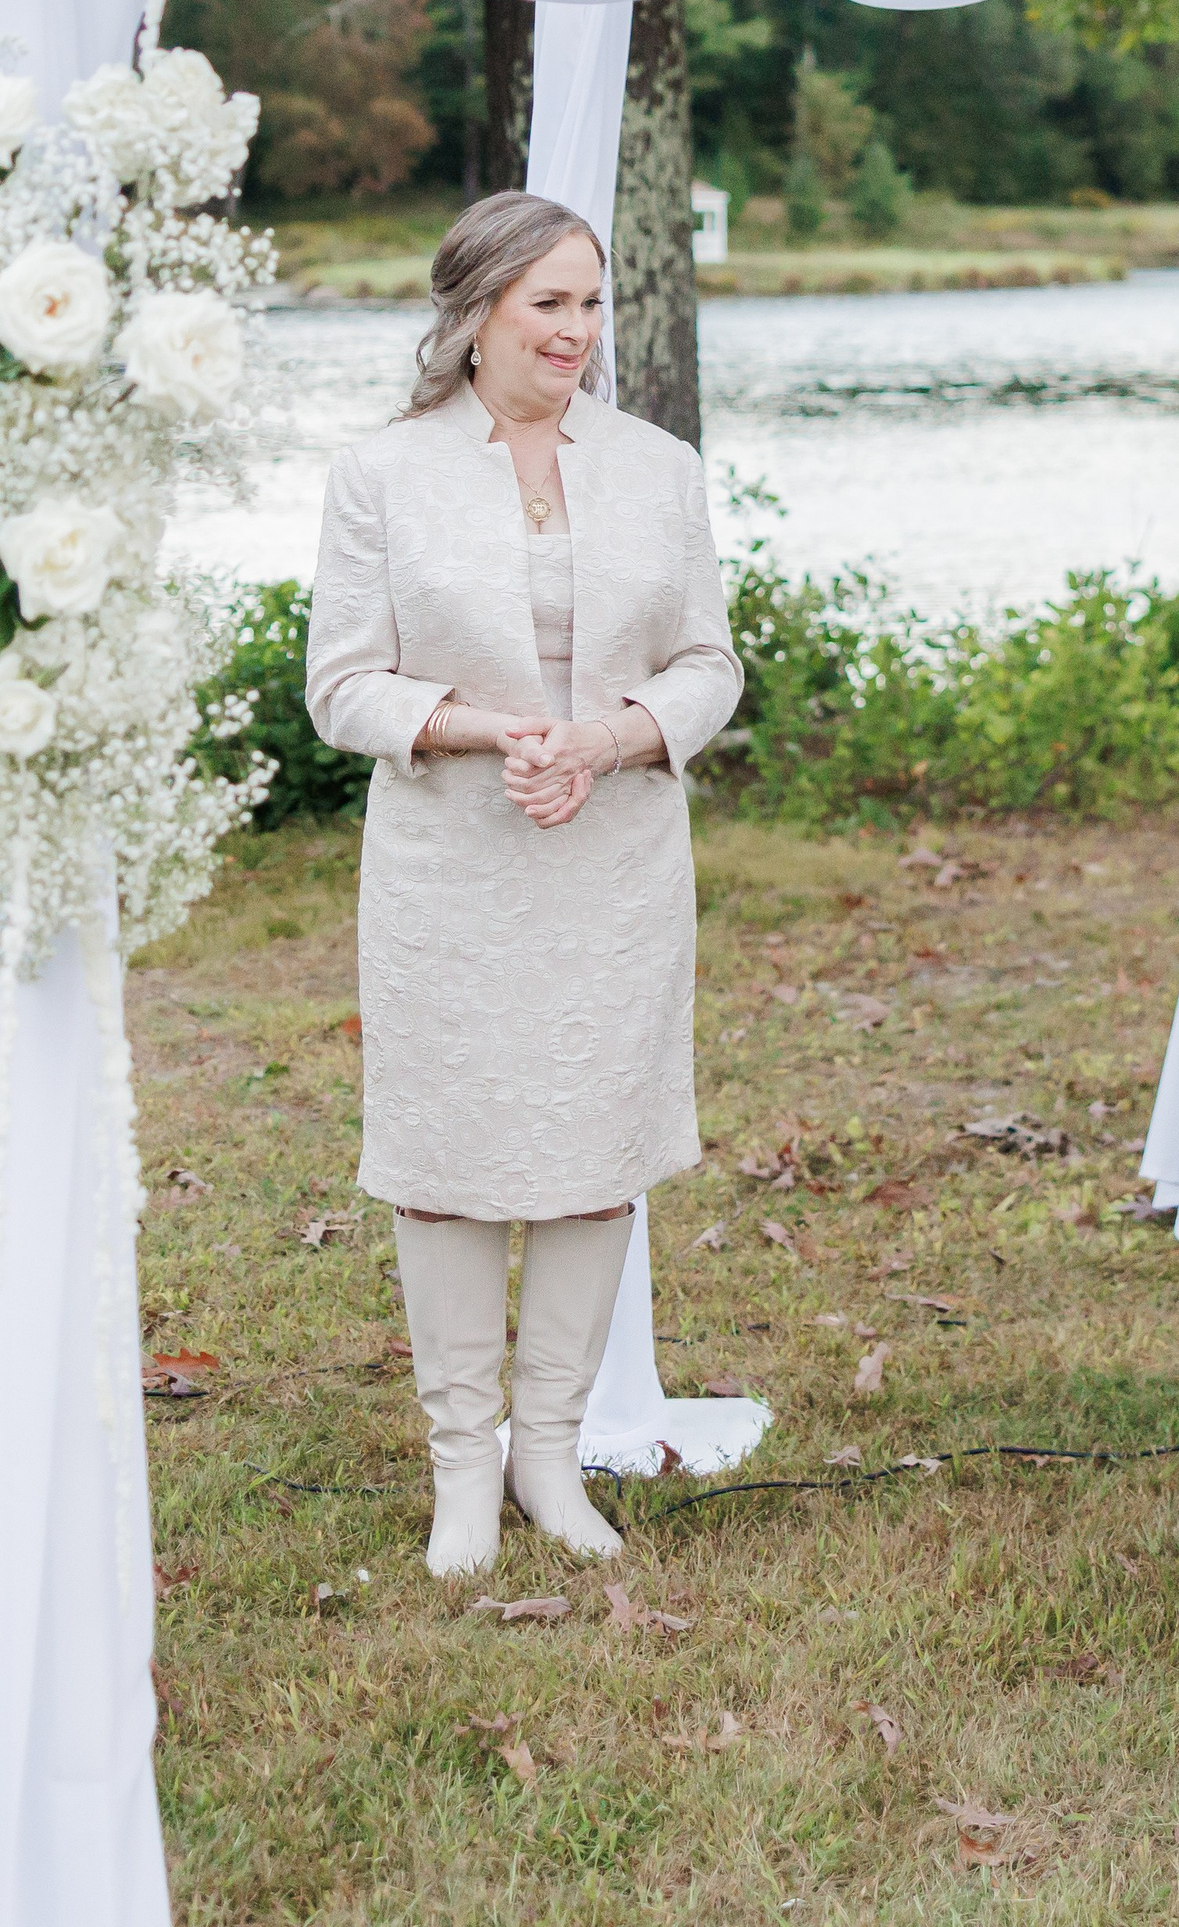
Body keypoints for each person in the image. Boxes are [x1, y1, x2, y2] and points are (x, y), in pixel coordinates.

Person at [305, 191, 742, 1580]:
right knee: (445, 1163)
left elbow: (707, 664)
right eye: (550, 302)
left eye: (592, 302)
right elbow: (341, 687)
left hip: (613, 858)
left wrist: (611, 740)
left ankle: (549, 1457)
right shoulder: (381, 474)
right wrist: (487, 731)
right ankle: (458, 1467)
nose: (579, 330)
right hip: (452, 859)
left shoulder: (660, 468)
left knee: (591, 1153)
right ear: (476, 311)